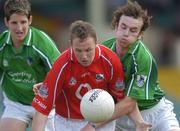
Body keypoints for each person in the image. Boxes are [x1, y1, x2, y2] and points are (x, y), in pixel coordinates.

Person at [31, 20, 151, 131]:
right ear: (70, 45)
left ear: (96, 43)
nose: (84, 56)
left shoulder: (110, 60)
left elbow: (123, 99)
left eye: (88, 50)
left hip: (102, 120)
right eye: (78, 50)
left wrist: (139, 121)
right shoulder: (61, 65)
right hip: (68, 123)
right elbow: (42, 108)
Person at [103, 1, 180, 131]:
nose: (126, 33)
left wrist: (94, 124)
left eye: (133, 30)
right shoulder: (103, 51)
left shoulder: (143, 58)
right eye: (123, 27)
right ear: (116, 26)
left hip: (155, 113)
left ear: (140, 35)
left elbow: (129, 103)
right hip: (119, 117)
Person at [0, 0, 60, 131]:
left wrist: (54, 98)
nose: (19, 28)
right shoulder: (1, 45)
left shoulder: (42, 42)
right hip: (16, 104)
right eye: (14, 23)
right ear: (6, 22)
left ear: (30, 20)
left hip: (45, 103)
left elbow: (60, 72)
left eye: (23, 22)